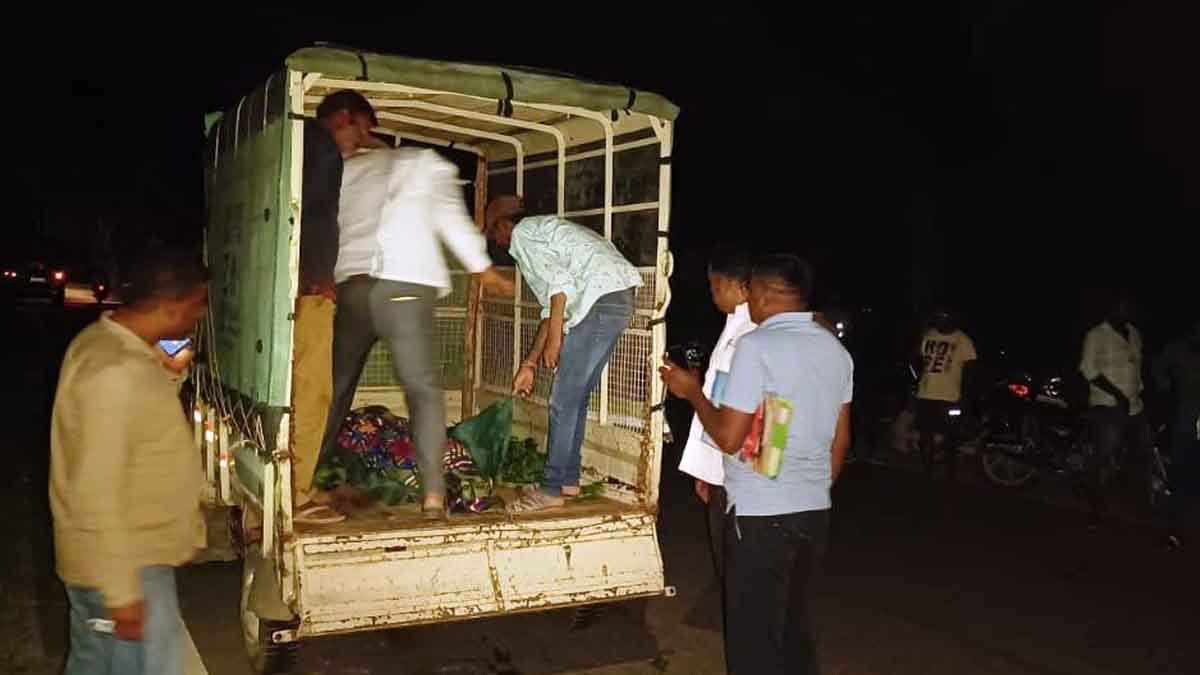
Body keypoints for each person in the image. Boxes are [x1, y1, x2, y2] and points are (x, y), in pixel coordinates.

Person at [660, 254, 853, 675]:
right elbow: (841, 439)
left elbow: (728, 436)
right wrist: (811, 489)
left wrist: (691, 392)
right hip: (814, 511)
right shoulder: (836, 351)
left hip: (761, 514)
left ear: (764, 294)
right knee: (794, 629)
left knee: (753, 637)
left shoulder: (757, 345)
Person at [319, 142, 514, 519]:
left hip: (352, 287)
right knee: (423, 393)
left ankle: (310, 478)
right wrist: (481, 267)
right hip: (404, 285)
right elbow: (448, 216)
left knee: (336, 387)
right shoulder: (421, 162)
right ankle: (433, 497)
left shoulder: (346, 169)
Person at [50, 244, 210, 675]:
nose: (199, 316)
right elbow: (95, 488)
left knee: (94, 663)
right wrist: (121, 593)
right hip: (125, 562)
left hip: (112, 559)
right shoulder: (115, 371)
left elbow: (133, 427)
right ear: (172, 306)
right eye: (197, 305)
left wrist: (167, 375)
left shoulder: (107, 344)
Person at [485, 194, 643, 513]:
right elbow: (551, 307)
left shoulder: (523, 234)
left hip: (600, 300)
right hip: (615, 298)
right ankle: (567, 479)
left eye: (493, 233)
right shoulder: (545, 229)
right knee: (575, 397)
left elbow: (560, 287)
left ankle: (551, 487)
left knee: (563, 400)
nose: (497, 241)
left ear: (503, 224)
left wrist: (557, 338)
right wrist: (530, 363)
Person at [293, 90, 383, 525]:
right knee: (314, 393)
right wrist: (320, 278)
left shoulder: (303, 142)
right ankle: (295, 493)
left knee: (316, 389)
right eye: (361, 130)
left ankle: (297, 484)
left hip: (306, 286)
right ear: (344, 118)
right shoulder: (324, 149)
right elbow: (314, 218)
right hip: (313, 290)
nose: (362, 142)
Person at [678, 245, 756, 578]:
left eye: (714, 287)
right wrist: (705, 471)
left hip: (742, 476)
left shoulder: (750, 337)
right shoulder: (735, 328)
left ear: (733, 285)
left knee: (737, 571)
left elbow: (732, 420)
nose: (712, 295)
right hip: (730, 471)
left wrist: (691, 391)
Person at [1079, 290, 1149, 527]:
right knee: (1102, 457)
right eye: (1124, 306)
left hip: (1135, 404)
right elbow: (1088, 370)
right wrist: (1117, 394)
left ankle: (1137, 502)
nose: (1129, 311)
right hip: (1107, 405)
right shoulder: (1096, 335)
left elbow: (1136, 366)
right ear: (1112, 309)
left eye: (1131, 307)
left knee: (1142, 453)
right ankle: (1095, 509)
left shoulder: (1134, 333)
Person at [1152, 318, 1200, 549]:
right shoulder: (1178, 349)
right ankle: (1174, 530)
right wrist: (1168, 391)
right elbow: (1158, 370)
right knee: (1181, 477)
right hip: (1185, 422)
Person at [914, 306, 977, 479]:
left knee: (951, 436)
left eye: (944, 316)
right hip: (926, 393)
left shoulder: (963, 340)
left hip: (951, 397)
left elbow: (970, 371)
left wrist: (964, 398)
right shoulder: (929, 335)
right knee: (925, 435)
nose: (940, 320)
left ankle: (950, 473)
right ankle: (927, 471)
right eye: (938, 316)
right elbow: (919, 360)